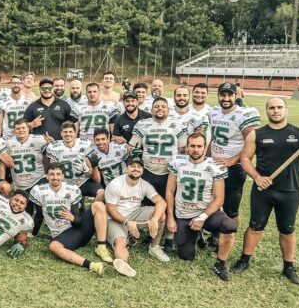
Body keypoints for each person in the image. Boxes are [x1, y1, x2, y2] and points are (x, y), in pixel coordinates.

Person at [233, 98, 299, 284]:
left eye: (279, 107)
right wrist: (257, 177)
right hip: (263, 190)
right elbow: (245, 159)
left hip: (289, 191)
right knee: (255, 226)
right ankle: (244, 260)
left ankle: (289, 267)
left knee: (287, 229)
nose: (275, 111)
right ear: (267, 111)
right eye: (271, 108)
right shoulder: (256, 134)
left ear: (285, 110)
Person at [166, 133, 237, 280]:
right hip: (184, 214)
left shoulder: (214, 166)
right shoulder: (177, 162)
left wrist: (202, 217)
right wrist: (170, 218)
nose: (195, 149)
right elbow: (169, 191)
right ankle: (196, 235)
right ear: (186, 147)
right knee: (186, 256)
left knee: (230, 226)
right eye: (192, 146)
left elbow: (219, 199)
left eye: (199, 146)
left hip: (207, 214)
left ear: (205, 148)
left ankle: (220, 263)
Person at [207, 82, 261, 249]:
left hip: (233, 168)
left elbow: (252, 144)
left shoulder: (243, 114)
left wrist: (232, 160)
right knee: (213, 202)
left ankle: (229, 240)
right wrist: (207, 157)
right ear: (218, 96)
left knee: (231, 208)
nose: (226, 98)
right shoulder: (213, 112)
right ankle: (216, 234)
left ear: (236, 96)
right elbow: (213, 139)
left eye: (230, 95)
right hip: (214, 165)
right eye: (223, 94)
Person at [31, 164, 109, 276]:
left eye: (58, 174)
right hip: (64, 236)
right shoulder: (39, 191)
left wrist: (72, 218)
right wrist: (34, 234)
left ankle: (101, 247)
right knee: (54, 246)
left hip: (79, 229)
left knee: (98, 205)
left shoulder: (71, 189)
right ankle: (93, 265)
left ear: (62, 176)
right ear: (46, 176)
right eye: (52, 174)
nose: (55, 177)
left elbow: (77, 222)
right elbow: (39, 216)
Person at [103, 157, 169, 276]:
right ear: (126, 169)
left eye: (139, 167)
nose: (136, 169)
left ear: (142, 171)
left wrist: (154, 220)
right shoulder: (115, 184)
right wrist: (127, 222)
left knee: (160, 214)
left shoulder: (145, 185)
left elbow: (162, 202)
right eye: (132, 166)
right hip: (116, 219)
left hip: (135, 214)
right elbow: (110, 210)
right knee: (120, 242)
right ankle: (123, 263)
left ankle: (154, 247)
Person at [130, 97, 197, 195]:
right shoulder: (142, 124)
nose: (160, 109)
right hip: (148, 171)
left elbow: (183, 150)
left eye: (163, 107)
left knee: (168, 200)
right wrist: (132, 151)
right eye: (156, 107)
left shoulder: (178, 124)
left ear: (168, 110)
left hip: (170, 172)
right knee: (148, 202)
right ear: (151, 110)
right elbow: (131, 146)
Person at [43, 121, 103, 200]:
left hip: (83, 181)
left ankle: (92, 211)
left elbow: (90, 174)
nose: (68, 134)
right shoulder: (54, 147)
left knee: (101, 193)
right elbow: (55, 172)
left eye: (70, 132)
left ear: (75, 133)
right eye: (65, 132)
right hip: (65, 183)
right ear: (61, 133)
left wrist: (86, 169)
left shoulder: (85, 144)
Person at [3, 119, 47, 197]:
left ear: (28, 129)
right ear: (14, 131)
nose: (21, 130)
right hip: (19, 186)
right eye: (18, 128)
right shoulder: (9, 143)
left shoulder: (39, 139)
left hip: (38, 181)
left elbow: (50, 154)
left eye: (23, 128)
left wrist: (51, 143)